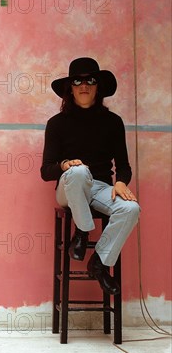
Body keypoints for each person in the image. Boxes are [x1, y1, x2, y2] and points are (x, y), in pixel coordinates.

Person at [41, 57, 140, 295]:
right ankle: (83, 231)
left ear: (98, 87)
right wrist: (65, 165)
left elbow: (124, 165)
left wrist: (120, 183)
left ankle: (99, 262)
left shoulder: (113, 122)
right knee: (79, 170)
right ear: (70, 88)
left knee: (131, 209)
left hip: (100, 188)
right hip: (70, 187)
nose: (84, 86)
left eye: (90, 80)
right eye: (77, 81)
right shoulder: (56, 124)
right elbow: (45, 171)